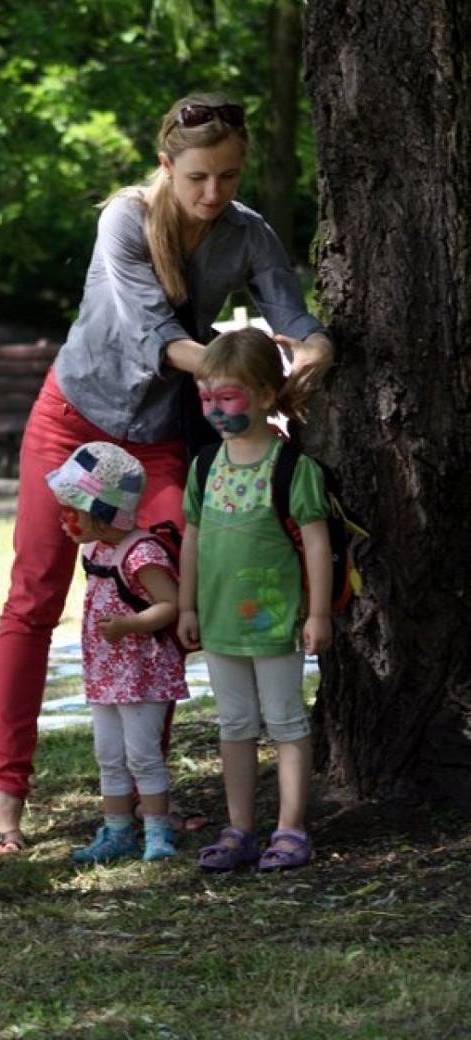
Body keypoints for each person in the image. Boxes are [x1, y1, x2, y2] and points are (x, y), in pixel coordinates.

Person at [0, 92, 334, 857]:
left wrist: (311, 352)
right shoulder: (124, 220)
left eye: (230, 177)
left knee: (170, 588)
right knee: (35, 594)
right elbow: (157, 334)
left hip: (157, 438)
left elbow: (293, 315)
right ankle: (6, 796)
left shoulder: (248, 233)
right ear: (168, 164)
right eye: (200, 177)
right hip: (74, 419)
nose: (215, 195)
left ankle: (149, 800)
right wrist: (242, 378)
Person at [178, 328, 332, 871]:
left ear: (267, 395)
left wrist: (316, 614)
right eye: (206, 398)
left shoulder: (293, 469)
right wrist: (187, 606)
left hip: (276, 625)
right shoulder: (203, 466)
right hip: (219, 627)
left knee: (287, 722)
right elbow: (192, 538)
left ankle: (291, 828)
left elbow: (317, 543)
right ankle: (239, 826)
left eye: (228, 397)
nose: (214, 410)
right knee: (235, 726)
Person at [47, 441, 188, 863]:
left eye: (72, 508)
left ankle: (158, 832)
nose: (64, 517)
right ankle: (117, 830)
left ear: (102, 514)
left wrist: (131, 625)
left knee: (143, 754)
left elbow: (171, 604)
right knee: (108, 754)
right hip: (106, 672)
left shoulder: (140, 552)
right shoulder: (95, 549)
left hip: (142, 671)